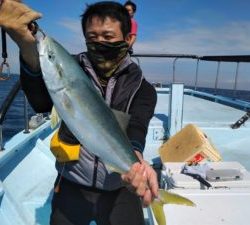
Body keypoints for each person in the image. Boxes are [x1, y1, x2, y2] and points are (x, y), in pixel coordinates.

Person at [0, 1, 158, 225]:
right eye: (92, 37)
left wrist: (136, 161)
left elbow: (137, 127)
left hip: (120, 187)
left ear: (128, 38)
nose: (99, 42)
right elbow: (41, 102)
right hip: (72, 183)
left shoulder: (143, 88)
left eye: (108, 36)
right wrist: (27, 47)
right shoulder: (72, 66)